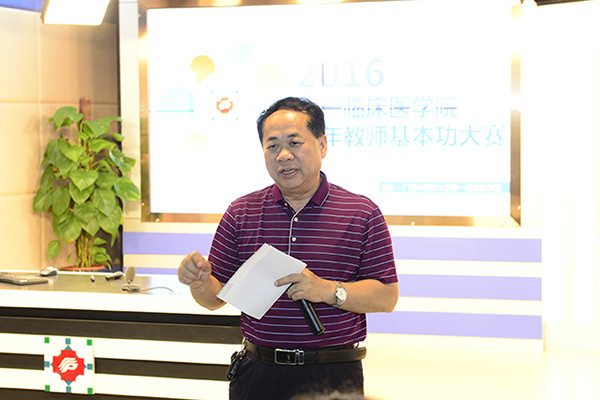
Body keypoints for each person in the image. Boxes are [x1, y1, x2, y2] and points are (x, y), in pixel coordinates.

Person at [178, 97, 398, 400]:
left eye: (295, 143)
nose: (283, 155)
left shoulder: (360, 212)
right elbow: (214, 299)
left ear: (322, 145)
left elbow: (386, 297)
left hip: (332, 374)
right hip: (257, 373)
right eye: (272, 146)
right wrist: (200, 283)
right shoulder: (241, 212)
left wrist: (326, 290)